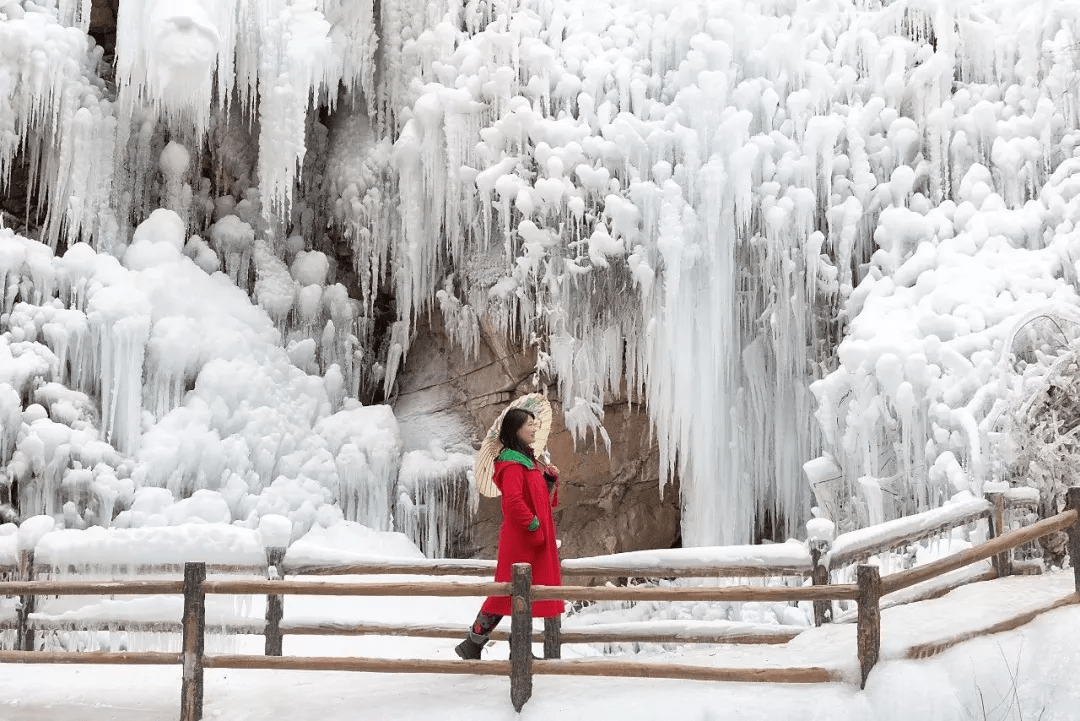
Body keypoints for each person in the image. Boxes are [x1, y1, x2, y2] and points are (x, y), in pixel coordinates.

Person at [455, 407, 564, 660]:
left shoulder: (528, 461)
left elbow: (539, 499)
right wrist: (533, 525)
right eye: (529, 424)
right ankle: (474, 641)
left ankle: (513, 650)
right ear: (515, 429)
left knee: (524, 593)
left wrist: (548, 479)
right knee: (510, 592)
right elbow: (514, 502)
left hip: (531, 539)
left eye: (535, 424)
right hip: (522, 539)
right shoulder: (511, 464)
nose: (534, 428)